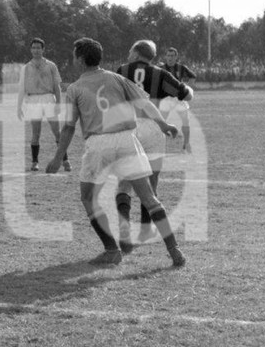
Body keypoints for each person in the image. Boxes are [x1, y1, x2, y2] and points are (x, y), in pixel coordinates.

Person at [45, 38, 185, 267]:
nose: (72, 59)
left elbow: (69, 127)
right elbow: (144, 104)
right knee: (149, 198)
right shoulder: (117, 78)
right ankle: (174, 249)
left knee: (88, 197)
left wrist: (58, 157)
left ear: (80, 59)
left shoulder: (75, 88)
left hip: (99, 144)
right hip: (128, 141)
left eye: (74, 55)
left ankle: (112, 250)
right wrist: (163, 124)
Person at [115, 39, 193, 244]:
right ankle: (145, 229)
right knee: (151, 181)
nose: (129, 54)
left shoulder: (121, 70)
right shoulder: (160, 74)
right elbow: (185, 94)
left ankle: (123, 228)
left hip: (129, 127)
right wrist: (188, 91)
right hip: (154, 127)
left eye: (131, 50)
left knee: (125, 180)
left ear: (137, 53)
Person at [16, 37, 69, 172]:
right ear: (30, 49)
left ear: (43, 49)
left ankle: (65, 160)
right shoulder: (26, 68)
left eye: (38, 48)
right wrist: (19, 107)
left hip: (48, 98)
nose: (36, 50)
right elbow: (21, 89)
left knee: (56, 132)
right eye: (33, 48)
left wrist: (58, 103)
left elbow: (57, 86)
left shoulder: (51, 65)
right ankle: (35, 162)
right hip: (33, 100)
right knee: (36, 133)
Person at [160, 47, 197, 152]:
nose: (170, 58)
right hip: (166, 98)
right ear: (165, 57)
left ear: (176, 57)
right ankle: (159, 143)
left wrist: (188, 87)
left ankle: (186, 143)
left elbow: (192, 76)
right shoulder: (160, 68)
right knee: (161, 121)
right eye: (168, 55)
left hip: (179, 98)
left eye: (172, 56)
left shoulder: (181, 68)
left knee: (186, 120)